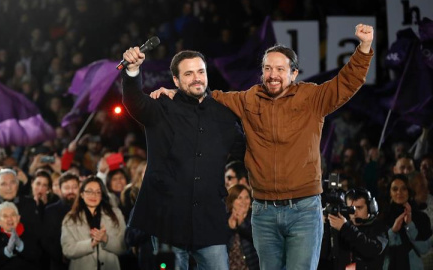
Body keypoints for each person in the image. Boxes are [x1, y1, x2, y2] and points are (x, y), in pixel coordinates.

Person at [151, 24, 374, 269]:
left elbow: (347, 82)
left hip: (304, 210)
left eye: (280, 69)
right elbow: (211, 97)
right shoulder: (248, 99)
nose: (272, 74)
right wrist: (177, 92)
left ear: (294, 73)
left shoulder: (312, 98)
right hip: (263, 213)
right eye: (267, 68)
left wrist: (363, 48)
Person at [121, 48, 244, 269]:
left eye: (201, 71)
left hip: (210, 221)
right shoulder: (161, 106)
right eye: (188, 74)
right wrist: (132, 70)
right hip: (168, 221)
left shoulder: (224, 115)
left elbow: (244, 151)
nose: (197, 78)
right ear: (176, 80)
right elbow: (135, 103)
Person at [61, 176, 126, 270]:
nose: (94, 195)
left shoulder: (116, 214)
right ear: (82, 194)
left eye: (98, 192)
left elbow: (124, 247)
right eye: (89, 191)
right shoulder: (70, 218)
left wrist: (106, 239)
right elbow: (67, 250)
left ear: (102, 195)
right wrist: (91, 243)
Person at [327, 187, 388, 269]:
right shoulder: (342, 226)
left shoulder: (379, 227)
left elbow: (371, 250)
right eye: (350, 209)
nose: (354, 213)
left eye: (359, 208)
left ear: (370, 207)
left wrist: (345, 228)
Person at [382, 174, 432, 270]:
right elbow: (380, 249)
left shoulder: (422, 217)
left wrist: (410, 225)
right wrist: (393, 231)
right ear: (390, 193)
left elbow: (424, 249)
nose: (399, 192)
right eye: (395, 189)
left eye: (404, 188)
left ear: (409, 191)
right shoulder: (383, 218)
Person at [0, 201, 41, 269]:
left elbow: (38, 256)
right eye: (5, 216)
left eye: (13, 215)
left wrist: (21, 246)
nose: (10, 219)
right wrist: (6, 251)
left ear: (18, 218)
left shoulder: (30, 232)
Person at [42, 172, 80, 270]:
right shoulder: (51, 210)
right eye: (66, 188)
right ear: (60, 190)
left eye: (74, 187)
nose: (71, 191)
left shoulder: (87, 209)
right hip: (60, 264)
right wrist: (63, 255)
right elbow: (48, 240)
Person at [226, 184, 259, 270]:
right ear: (232, 201)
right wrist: (230, 227)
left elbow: (256, 238)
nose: (244, 201)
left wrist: (241, 223)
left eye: (247, 197)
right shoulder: (224, 218)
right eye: (239, 198)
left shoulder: (255, 217)